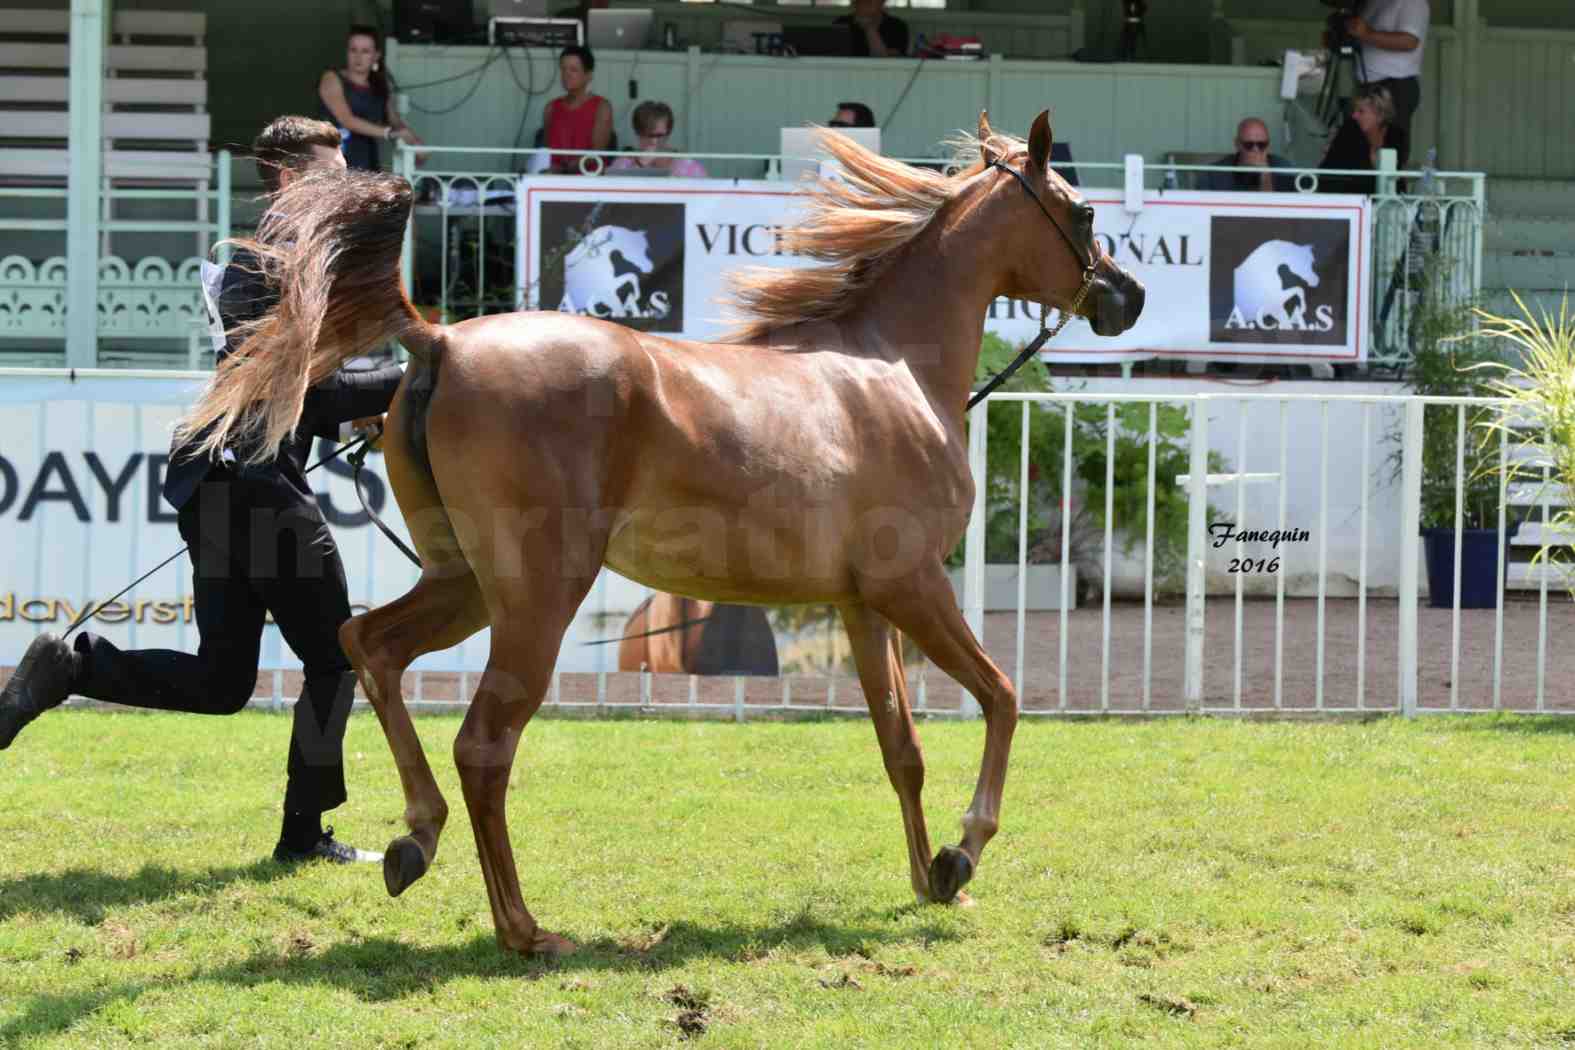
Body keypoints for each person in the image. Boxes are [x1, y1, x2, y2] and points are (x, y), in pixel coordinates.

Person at [0, 116, 406, 866]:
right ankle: (301, 837)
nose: (344, 182)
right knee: (336, 657)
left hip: (220, 486)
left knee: (222, 680)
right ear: (289, 179)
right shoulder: (275, 264)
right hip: (254, 487)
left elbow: (303, 392)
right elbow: (309, 396)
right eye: (331, 168)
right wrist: (417, 376)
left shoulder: (269, 263)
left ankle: (74, 666)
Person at [318, 25, 424, 172]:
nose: (358, 57)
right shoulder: (332, 78)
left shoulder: (379, 86)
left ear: (376, 56)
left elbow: (395, 122)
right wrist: (388, 133)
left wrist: (415, 144)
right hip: (335, 161)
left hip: (368, 164)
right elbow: (346, 120)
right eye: (353, 50)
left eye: (365, 51)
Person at [1346, 0, 1427, 166]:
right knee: (1361, 150)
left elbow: (1409, 41)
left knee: (1389, 153)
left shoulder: (1413, 3)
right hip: (1368, 86)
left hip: (1394, 86)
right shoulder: (1372, 3)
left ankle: (1391, 190)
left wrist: (1367, 34)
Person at [1317, 84, 1404, 195]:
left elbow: (1396, 179)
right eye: (1354, 110)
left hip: (1387, 200)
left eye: (1361, 111)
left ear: (1380, 115)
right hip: (1349, 198)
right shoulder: (1349, 130)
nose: (1354, 115)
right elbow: (1329, 175)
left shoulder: (1396, 136)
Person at [607, 101, 707, 177]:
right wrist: (638, 166)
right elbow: (611, 196)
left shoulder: (688, 166)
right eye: (648, 135)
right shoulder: (623, 164)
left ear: (668, 133)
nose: (653, 141)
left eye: (659, 136)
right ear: (637, 133)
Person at [1198, 117, 1294, 193]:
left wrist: (1265, 175)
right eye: (1249, 145)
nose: (1255, 150)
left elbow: (1277, 210)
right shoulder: (1215, 174)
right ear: (1237, 144)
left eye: (1262, 145)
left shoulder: (1284, 169)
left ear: (1268, 145)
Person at [834, 0, 908, 58]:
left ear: (882, 2)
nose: (865, 3)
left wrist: (869, 27)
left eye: (870, 1)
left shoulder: (897, 27)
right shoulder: (841, 24)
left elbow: (888, 61)